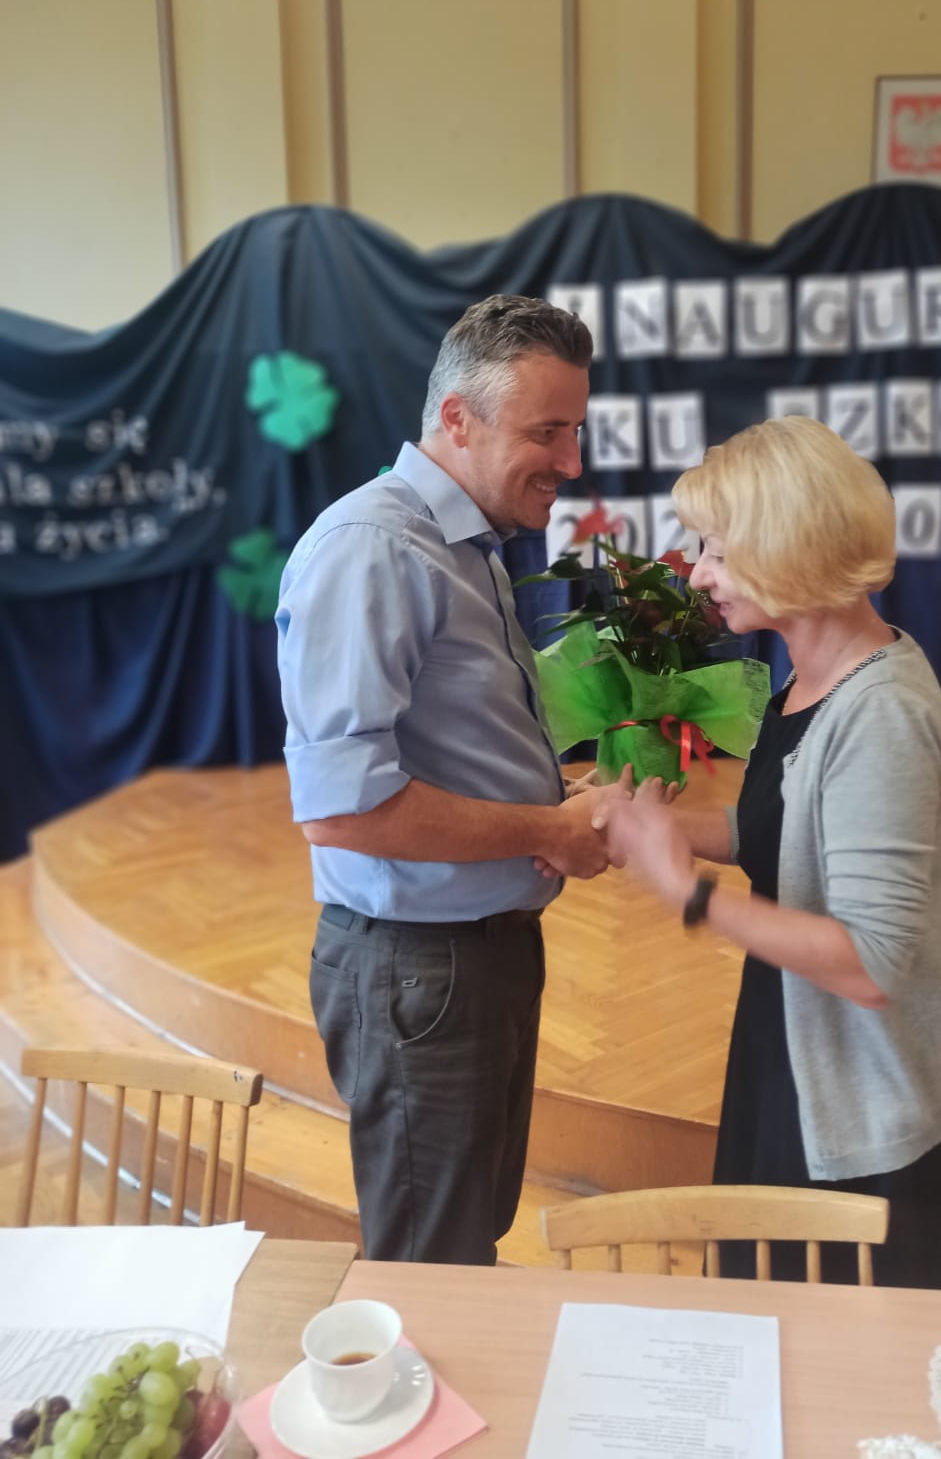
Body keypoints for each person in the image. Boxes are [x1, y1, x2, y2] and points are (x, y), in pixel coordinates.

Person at [598, 416, 941, 1290]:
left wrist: (689, 892)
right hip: (798, 1047)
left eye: (716, 550)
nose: (697, 573)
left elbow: (869, 964)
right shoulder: (807, 678)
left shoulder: (881, 714)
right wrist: (649, 828)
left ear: (789, 548)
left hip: (867, 1102)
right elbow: (782, 831)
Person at [276, 294, 625, 1265]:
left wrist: (560, 801)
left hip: (468, 957)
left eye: (575, 430)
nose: (571, 461)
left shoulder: (460, 543)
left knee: (466, 1243)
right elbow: (343, 810)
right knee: (432, 1267)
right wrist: (546, 832)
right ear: (458, 420)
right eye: (547, 432)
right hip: (420, 969)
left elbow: (444, 745)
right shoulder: (375, 546)